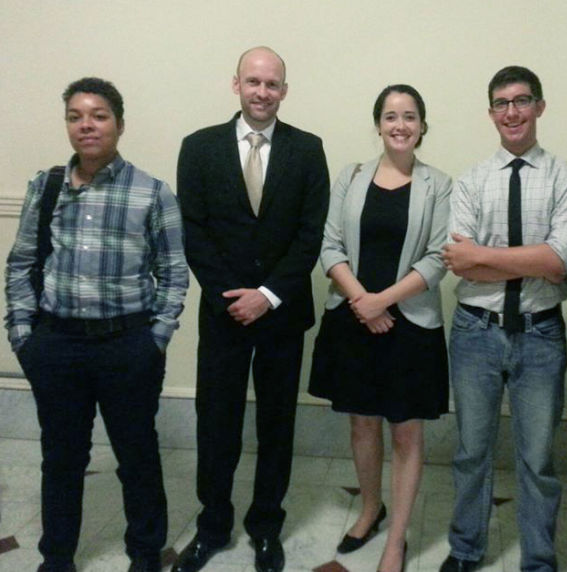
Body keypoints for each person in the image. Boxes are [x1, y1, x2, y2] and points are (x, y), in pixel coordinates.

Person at [4, 77, 188, 572]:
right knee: (61, 459)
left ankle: (146, 554)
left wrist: (156, 338)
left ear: (119, 124)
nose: (87, 125)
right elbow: (21, 263)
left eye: (99, 115)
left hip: (127, 345)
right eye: (76, 116)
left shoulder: (151, 193)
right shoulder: (44, 189)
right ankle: (57, 557)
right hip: (56, 345)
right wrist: (24, 336)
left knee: (138, 457)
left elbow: (173, 273)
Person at [172, 46, 329, 572]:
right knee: (216, 424)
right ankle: (213, 525)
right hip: (224, 316)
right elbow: (193, 232)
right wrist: (232, 297)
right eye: (254, 82)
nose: (263, 92)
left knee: (276, 426)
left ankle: (266, 526)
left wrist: (268, 295)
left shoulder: (309, 150)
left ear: (285, 90)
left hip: (282, 317)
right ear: (235, 84)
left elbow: (311, 236)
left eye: (273, 84)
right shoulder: (198, 148)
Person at [440, 66, 567, 572]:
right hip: (475, 332)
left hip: (541, 334)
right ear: (490, 113)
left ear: (540, 107)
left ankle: (539, 560)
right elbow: (458, 260)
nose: (512, 112)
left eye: (522, 101)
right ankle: (465, 550)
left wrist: (489, 255)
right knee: (470, 453)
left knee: (538, 461)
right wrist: (536, 256)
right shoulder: (471, 181)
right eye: (502, 103)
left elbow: (557, 262)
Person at [309, 84, 451, 572]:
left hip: (409, 322)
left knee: (406, 435)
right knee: (362, 422)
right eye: (391, 116)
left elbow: (438, 259)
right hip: (352, 318)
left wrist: (382, 302)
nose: (400, 125)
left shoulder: (439, 184)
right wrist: (360, 300)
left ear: (423, 126)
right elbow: (329, 245)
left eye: (410, 116)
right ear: (378, 124)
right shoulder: (350, 177)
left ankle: (396, 542)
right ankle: (370, 509)